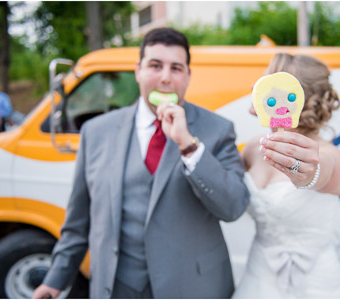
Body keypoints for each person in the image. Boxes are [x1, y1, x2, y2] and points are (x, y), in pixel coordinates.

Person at [33, 27, 250, 299]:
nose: (165, 78)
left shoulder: (217, 129)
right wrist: (55, 280)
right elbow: (78, 220)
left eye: (176, 68)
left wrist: (189, 146)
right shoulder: (96, 131)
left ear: (188, 76)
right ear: (138, 70)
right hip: (117, 286)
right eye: (155, 66)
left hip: (192, 287)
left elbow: (233, 208)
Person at [231, 53, 340, 299]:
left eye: (265, 79)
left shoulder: (329, 154)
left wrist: (309, 175)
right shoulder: (252, 148)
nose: (254, 86)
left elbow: (324, 171)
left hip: (316, 285)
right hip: (258, 278)